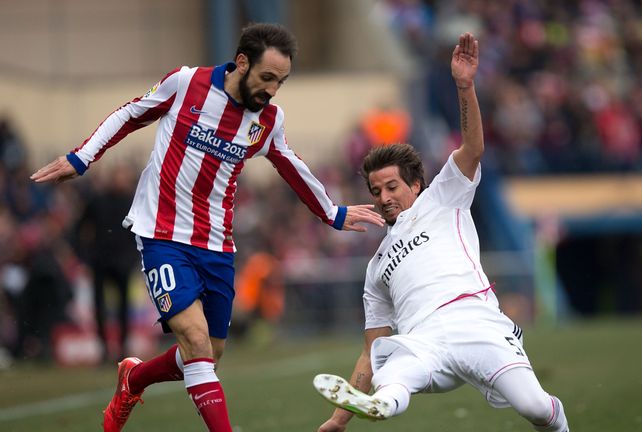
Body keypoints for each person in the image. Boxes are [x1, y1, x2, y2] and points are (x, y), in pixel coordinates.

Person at [31, 22, 384, 432]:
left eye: (281, 82)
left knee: (209, 354)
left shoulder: (269, 119)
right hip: (161, 233)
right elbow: (130, 114)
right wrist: (81, 158)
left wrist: (333, 213)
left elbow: (291, 165)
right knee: (196, 342)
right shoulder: (186, 83)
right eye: (267, 77)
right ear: (241, 63)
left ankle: (134, 378)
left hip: (216, 243)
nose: (272, 89)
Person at [314, 33, 569, 432]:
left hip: (476, 321)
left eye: (392, 186)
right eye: (376, 191)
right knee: (391, 373)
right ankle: (381, 402)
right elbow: (369, 351)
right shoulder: (376, 267)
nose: (383, 197)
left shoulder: (443, 197)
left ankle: (557, 420)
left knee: (536, 407)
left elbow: (473, 148)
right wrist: (338, 420)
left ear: (416, 184)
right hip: (423, 342)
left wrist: (464, 87)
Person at [75, 164, 139, 363]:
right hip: (100, 261)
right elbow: (79, 228)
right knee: (100, 306)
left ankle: (122, 348)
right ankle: (103, 348)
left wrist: (133, 258)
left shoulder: (132, 202)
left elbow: (140, 232)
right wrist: (85, 256)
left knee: (123, 307)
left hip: (122, 262)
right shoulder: (98, 201)